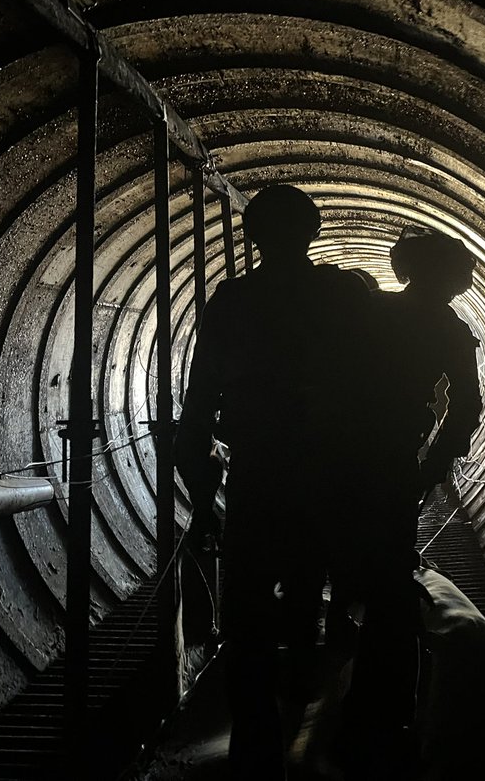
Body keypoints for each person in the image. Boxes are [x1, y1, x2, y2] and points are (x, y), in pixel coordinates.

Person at [174, 184, 370, 780]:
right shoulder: (343, 294)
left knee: (247, 612)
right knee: (313, 594)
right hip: (327, 476)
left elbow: (201, 400)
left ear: (253, 236)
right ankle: (303, 724)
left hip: (258, 476)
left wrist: (202, 498)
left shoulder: (232, 300)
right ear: (312, 230)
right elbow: (377, 392)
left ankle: (256, 742)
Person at [336, 226, 484, 780]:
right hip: (393, 461)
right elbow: (465, 407)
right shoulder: (448, 329)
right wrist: (431, 468)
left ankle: (321, 660)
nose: (467, 275)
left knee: (334, 554)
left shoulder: (367, 311)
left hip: (337, 453)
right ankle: (379, 709)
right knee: (390, 579)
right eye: (462, 267)